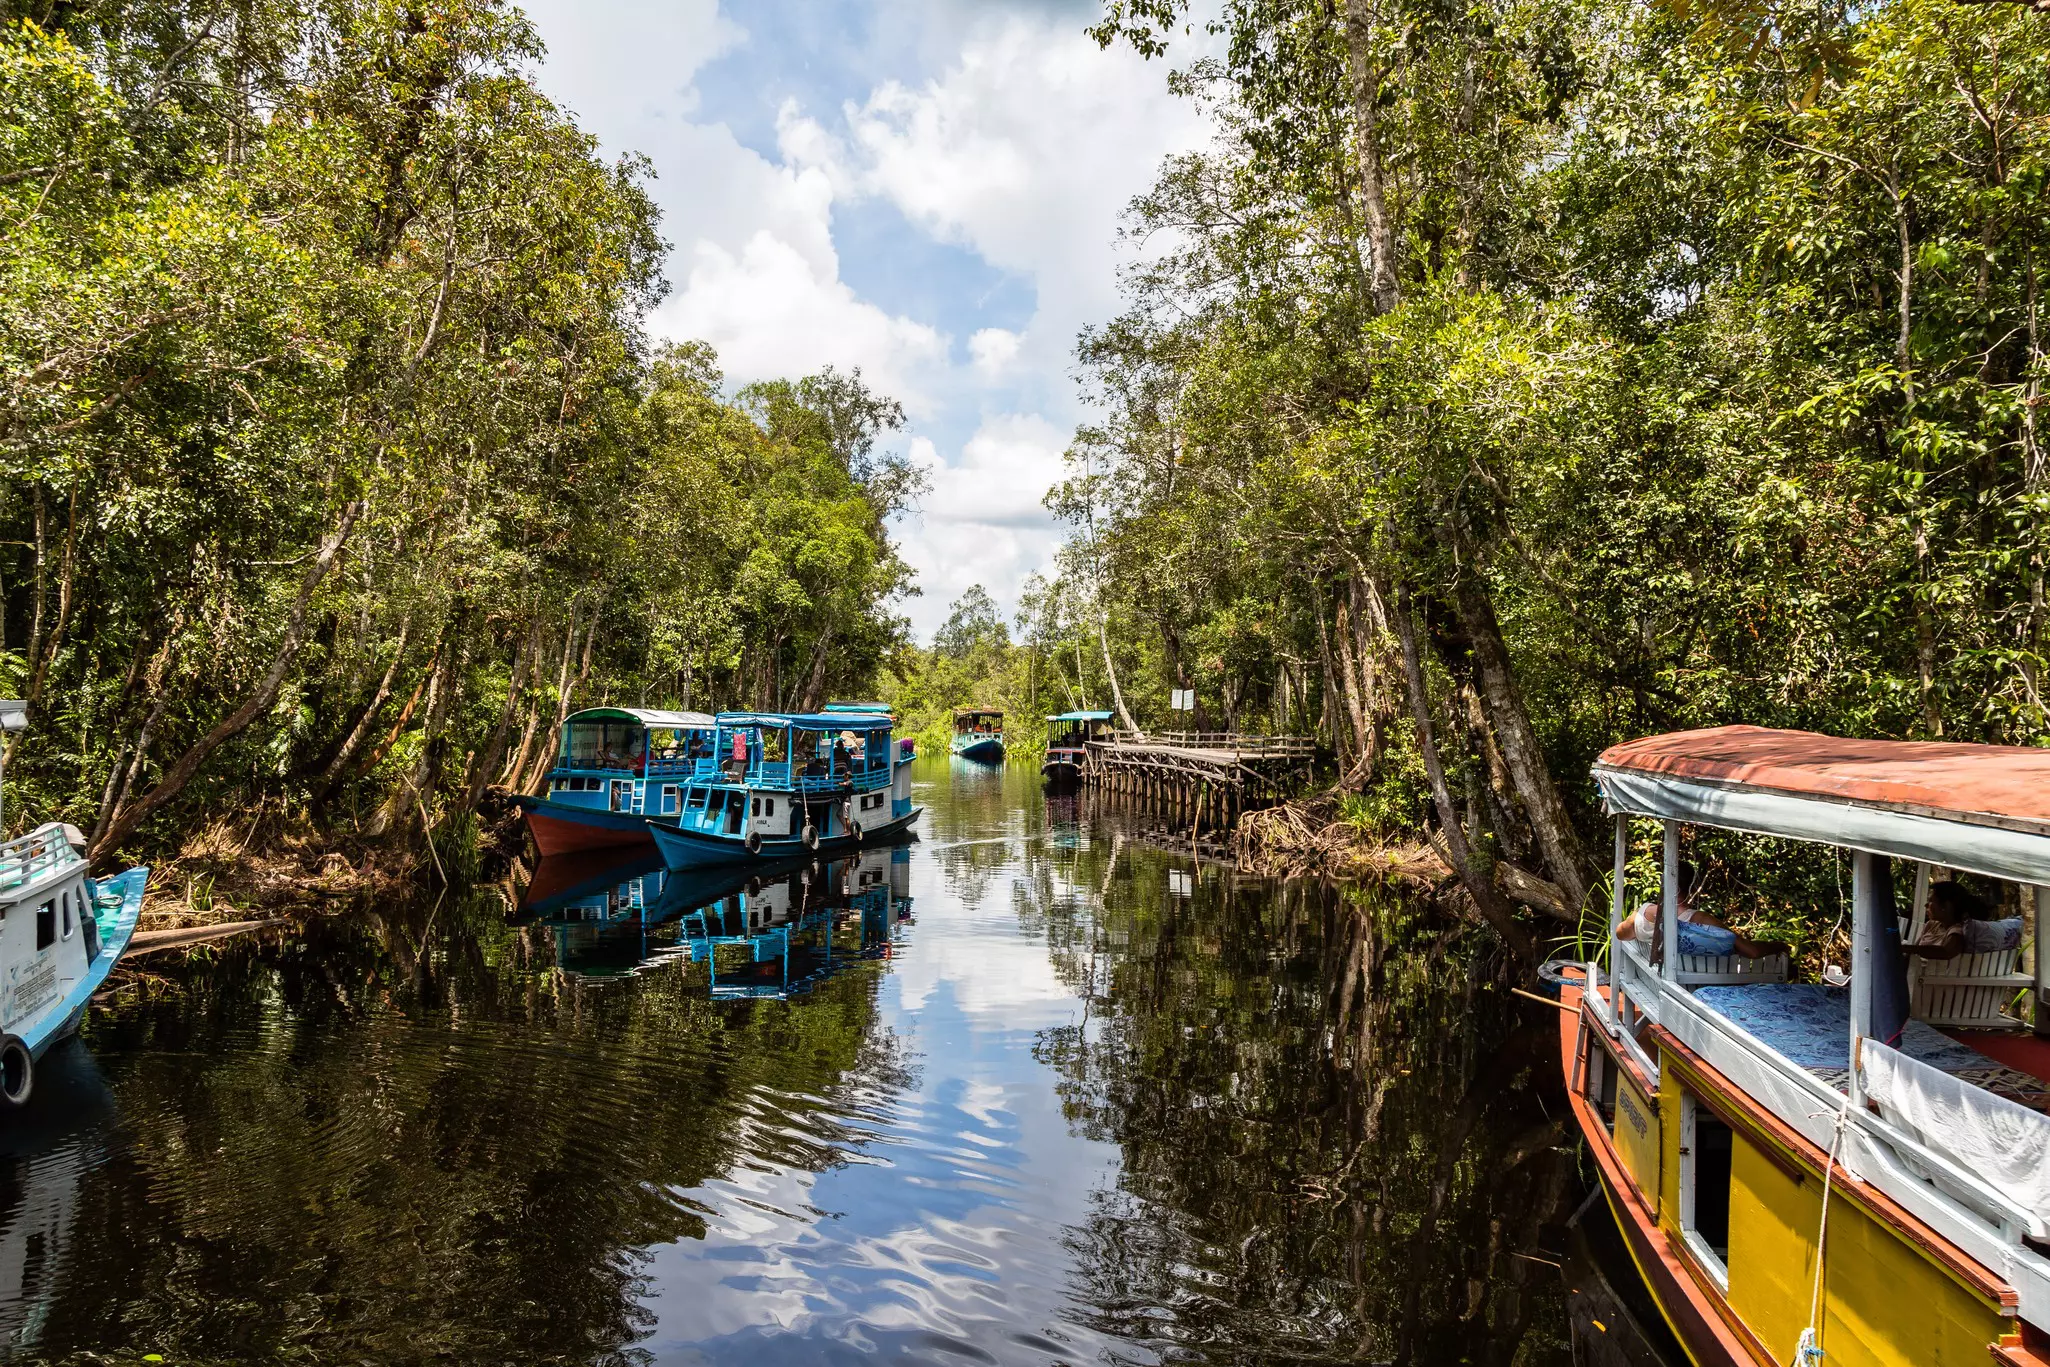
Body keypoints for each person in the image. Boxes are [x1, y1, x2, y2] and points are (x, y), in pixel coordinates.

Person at [1613, 859, 1777, 960]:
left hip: (1650, 983)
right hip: (1687, 991)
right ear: (1691, 887)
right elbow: (1752, 952)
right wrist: (1779, 946)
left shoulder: (1644, 912)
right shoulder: (1701, 920)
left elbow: (1620, 933)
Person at [1908, 880, 2023, 961]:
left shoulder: (1957, 930)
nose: (1926, 905)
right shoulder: (1931, 925)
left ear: (1946, 906)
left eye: (1931, 901)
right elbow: (1913, 953)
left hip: (1931, 985)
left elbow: (1947, 952)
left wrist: (1906, 948)